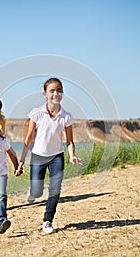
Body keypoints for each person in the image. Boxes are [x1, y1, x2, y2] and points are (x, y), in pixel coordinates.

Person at [17, 78, 83, 234]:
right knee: (37, 191)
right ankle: (33, 192)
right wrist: (21, 161)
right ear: (45, 94)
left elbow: (70, 141)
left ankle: (47, 221)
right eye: (52, 90)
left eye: (59, 90)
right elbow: (28, 139)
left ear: (62, 93)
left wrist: (72, 155)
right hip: (38, 156)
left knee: (55, 188)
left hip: (56, 157)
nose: (56, 93)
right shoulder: (37, 113)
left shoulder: (66, 116)